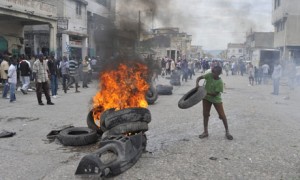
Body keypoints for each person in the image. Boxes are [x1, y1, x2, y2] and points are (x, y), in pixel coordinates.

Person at [196, 66, 233, 140]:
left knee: (222, 115)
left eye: (214, 73)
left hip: (216, 99)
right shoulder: (209, 75)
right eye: (212, 72)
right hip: (206, 98)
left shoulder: (220, 82)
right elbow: (199, 78)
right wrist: (197, 84)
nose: (212, 74)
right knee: (205, 114)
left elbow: (214, 94)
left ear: (218, 74)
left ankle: (227, 131)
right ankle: (205, 132)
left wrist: (204, 93)